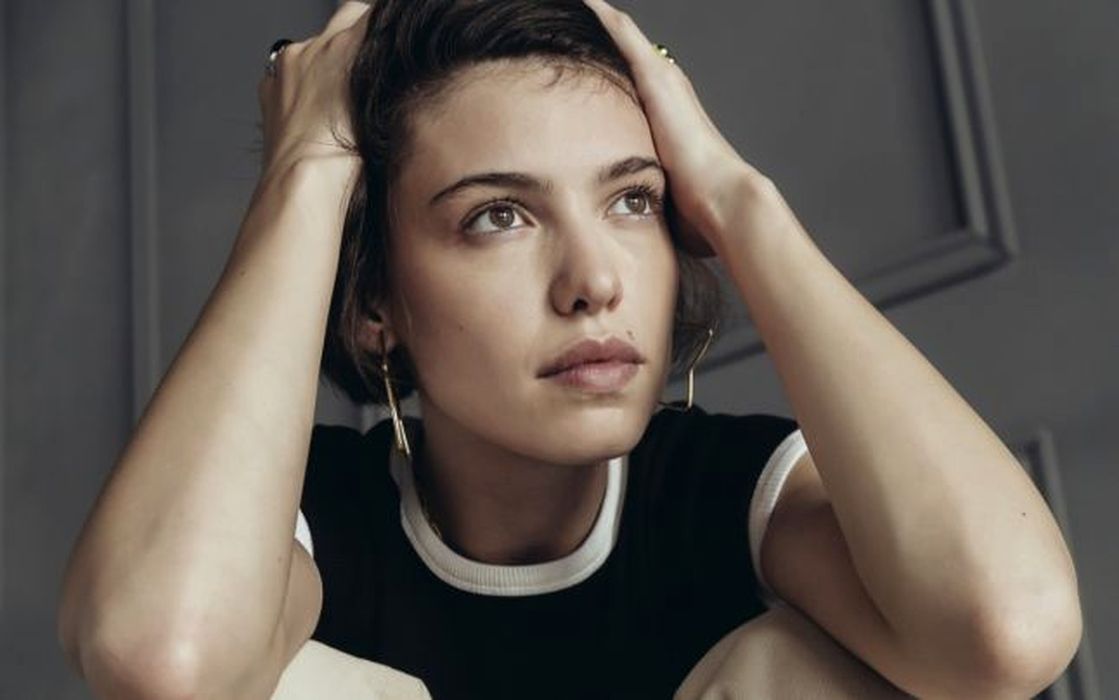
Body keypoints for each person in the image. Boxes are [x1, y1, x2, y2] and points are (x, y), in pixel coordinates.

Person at [57, 0, 1083, 698]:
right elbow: (164, 659)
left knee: (798, 671)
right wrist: (309, 171)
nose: (594, 280)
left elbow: (1007, 633)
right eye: (497, 216)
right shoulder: (318, 523)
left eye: (633, 200)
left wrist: (740, 203)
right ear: (374, 304)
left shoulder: (730, 493)